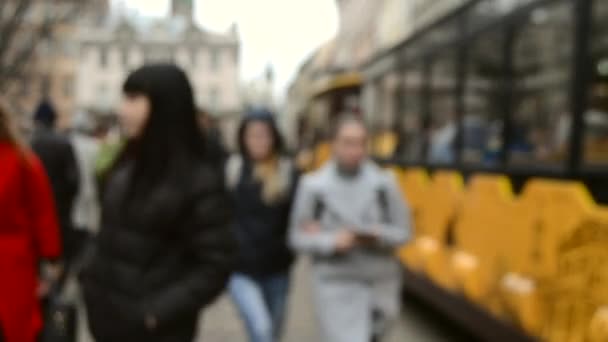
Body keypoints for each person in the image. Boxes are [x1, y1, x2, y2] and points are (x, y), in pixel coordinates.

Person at [80, 64, 236, 342]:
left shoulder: (198, 181)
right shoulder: (126, 166)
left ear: (164, 106)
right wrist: (90, 278)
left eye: (133, 99)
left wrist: (155, 313)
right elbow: (108, 235)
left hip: (157, 333)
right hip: (107, 324)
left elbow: (216, 264)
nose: (122, 110)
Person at [289, 115, 411, 342]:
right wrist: (331, 241)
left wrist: (377, 234)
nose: (355, 150)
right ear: (333, 143)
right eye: (347, 142)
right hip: (335, 284)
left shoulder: (385, 184)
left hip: (379, 287)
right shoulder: (313, 186)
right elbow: (296, 237)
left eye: (360, 143)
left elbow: (404, 232)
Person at [226, 108, 299, 342]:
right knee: (262, 329)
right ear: (243, 138)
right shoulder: (233, 170)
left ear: (274, 137)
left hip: (277, 270)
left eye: (264, 134)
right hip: (241, 270)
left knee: (272, 334)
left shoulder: (288, 172)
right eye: (253, 134)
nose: (259, 141)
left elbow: (301, 214)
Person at [0, 101, 62, 342]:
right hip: (16, 266)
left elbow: (43, 215)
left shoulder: (22, 160)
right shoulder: (24, 159)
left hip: (15, 268)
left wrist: (49, 266)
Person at [31, 100, 80, 265]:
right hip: (59, 208)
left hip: (32, 209)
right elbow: (74, 181)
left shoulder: (28, 143)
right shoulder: (64, 143)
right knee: (57, 257)